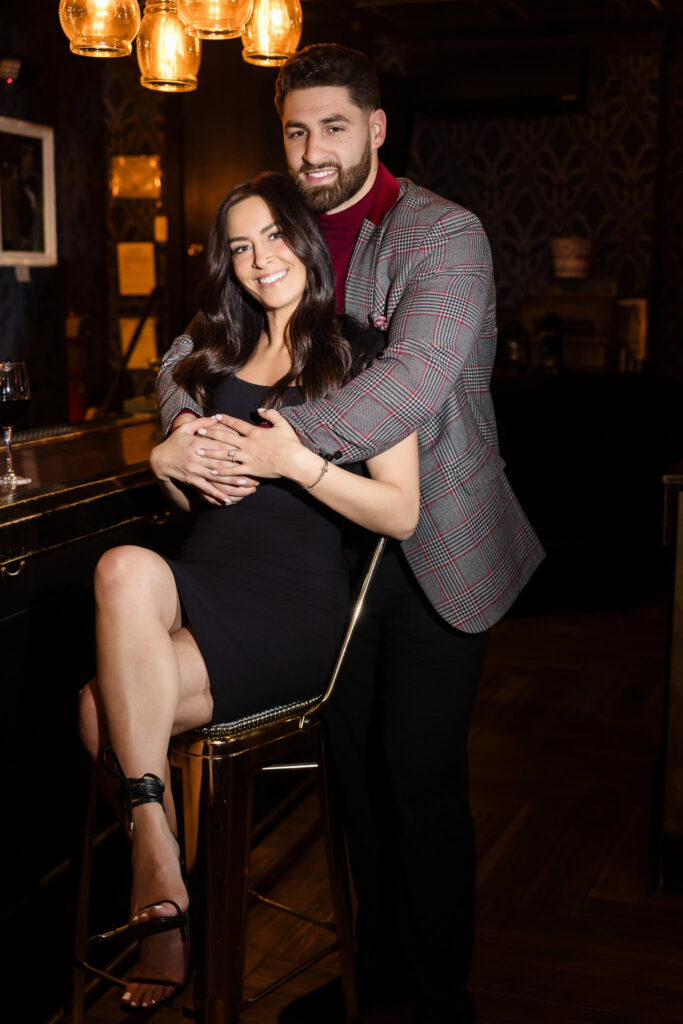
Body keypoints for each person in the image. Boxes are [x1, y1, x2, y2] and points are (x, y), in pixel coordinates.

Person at [156, 44, 544, 1024]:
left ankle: (434, 1000)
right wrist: (180, 430)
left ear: (375, 127)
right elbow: (186, 349)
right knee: (355, 781)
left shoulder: (442, 234)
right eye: (296, 130)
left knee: (418, 775)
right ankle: (375, 983)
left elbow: (411, 379)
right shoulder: (277, 226)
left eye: (333, 126)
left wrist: (262, 447)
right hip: (324, 549)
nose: (312, 149)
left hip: (433, 538)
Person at [78, 171, 420, 1015]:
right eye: (239, 246)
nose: (260, 258)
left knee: (98, 711)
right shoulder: (214, 355)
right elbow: (190, 494)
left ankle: (164, 903)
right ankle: (159, 847)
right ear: (225, 263)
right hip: (207, 574)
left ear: (305, 239)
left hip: (293, 605)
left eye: (273, 235)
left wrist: (296, 463)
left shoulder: (359, 356)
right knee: (121, 567)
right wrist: (163, 461)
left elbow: (401, 512)